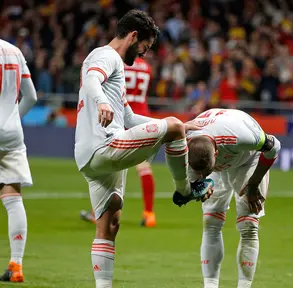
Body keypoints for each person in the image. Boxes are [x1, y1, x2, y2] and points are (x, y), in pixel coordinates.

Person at [74, 10, 213, 288]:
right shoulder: (107, 56)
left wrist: (184, 125)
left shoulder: (116, 68)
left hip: (90, 156)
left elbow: (128, 118)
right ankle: (185, 190)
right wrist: (101, 102)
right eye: (144, 47)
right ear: (134, 36)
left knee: (109, 223)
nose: (144, 54)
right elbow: (91, 79)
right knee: (172, 128)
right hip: (106, 144)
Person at [173, 108, 281, 288]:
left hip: (247, 159)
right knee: (211, 222)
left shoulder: (242, 136)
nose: (200, 177)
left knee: (248, 226)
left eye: (203, 174)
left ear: (216, 155)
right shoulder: (181, 142)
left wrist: (253, 185)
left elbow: (274, 146)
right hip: (210, 154)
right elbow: (184, 187)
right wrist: (190, 190)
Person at [80, 57, 157, 227]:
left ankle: (98, 212)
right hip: (142, 115)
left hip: (122, 114)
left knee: (110, 165)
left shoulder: (118, 63)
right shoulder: (146, 66)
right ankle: (149, 213)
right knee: (144, 167)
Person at [0, 39, 38, 282]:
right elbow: (31, 96)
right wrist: (13, 118)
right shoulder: (14, 50)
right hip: (11, 132)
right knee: (13, 199)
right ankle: (16, 265)